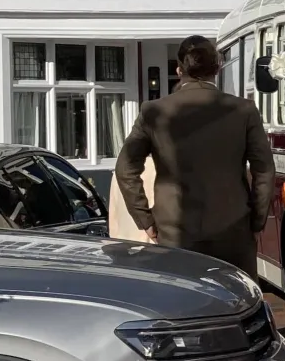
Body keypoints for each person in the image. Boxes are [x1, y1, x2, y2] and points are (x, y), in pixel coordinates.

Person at [115, 36, 275, 274]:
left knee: (181, 304)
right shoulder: (244, 110)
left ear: (178, 70)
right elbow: (264, 170)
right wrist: (257, 221)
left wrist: (145, 219)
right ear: (218, 68)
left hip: (175, 231)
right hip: (232, 230)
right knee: (236, 303)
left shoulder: (154, 111)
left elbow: (125, 168)